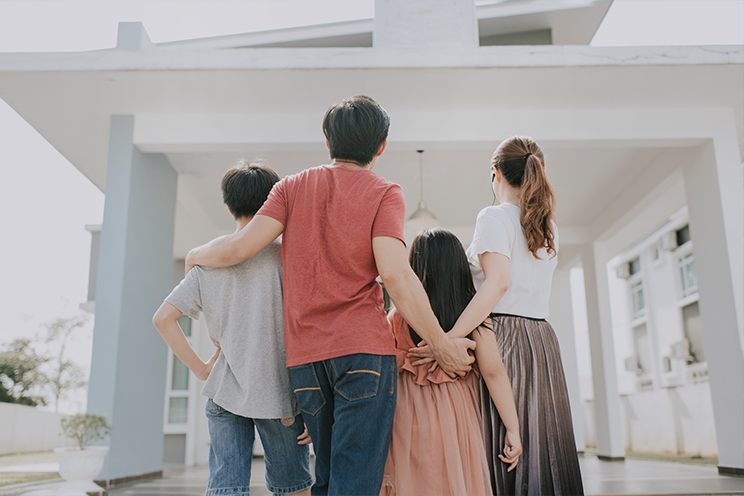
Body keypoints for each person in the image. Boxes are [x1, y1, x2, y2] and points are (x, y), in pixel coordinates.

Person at [184, 95, 475, 496]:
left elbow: (240, 249)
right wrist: (441, 345)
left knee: (324, 479)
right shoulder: (385, 192)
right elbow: (394, 273)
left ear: (327, 140)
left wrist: (196, 254)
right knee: (354, 480)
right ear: (380, 147)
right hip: (363, 353)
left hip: (305, 360)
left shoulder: (290, 187)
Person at [410, 136, 584, 495]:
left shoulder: (493, 216)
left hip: (503, 337)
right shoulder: (549, 226)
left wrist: (451, 338)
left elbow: (497, 284)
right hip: (543, 341)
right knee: (542, 441)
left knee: (503, 443)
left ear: (496, 172)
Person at [152, 163, 313, 496]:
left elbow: (163, 318)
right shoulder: (289, 257)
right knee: (293, 488)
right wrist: (313, 399)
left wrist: (201, 369)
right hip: (281, 395)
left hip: (224, 390)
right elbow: (310, 329)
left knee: (225, 489)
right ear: (275, 201)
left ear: (228, 206)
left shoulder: (208, 262)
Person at [381, 228, 522, 496]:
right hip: (458, 417)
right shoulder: (474, 317)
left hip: (405, 415)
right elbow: (494, 374)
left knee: (412, 482)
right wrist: (512, 429)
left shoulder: (398, 316)